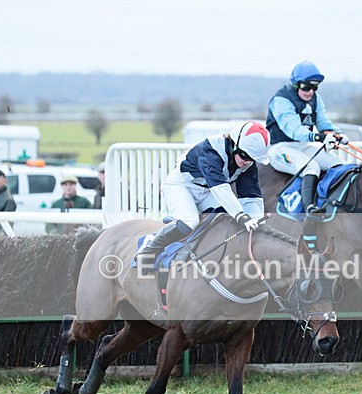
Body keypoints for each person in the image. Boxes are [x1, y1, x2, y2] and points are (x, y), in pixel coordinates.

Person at [135, 121, 269, 265]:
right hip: (181, 186)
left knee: (226, 221)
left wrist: (257, 223)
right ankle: (149, 248)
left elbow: (252, 197)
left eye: (252, 159)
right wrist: (241, 215)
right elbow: (220, 188)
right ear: (234, 144)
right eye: (244, 156)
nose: (247, 162)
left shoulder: (247, 164)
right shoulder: (210, 151)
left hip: (207, 191)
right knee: (190, 222)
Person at [265, 60, 349, 213]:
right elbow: (295, 130)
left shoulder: (316, 99)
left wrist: (337, 133)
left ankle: (332, 205)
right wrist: (319, 138)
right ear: (296, 84)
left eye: (314, 87)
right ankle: (309, 208)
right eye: (306, 87)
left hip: (303, 146)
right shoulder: (281, 100)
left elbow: (323, 123)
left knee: (340, 166)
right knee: (311, 167)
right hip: (280, 148)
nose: (310, 92)